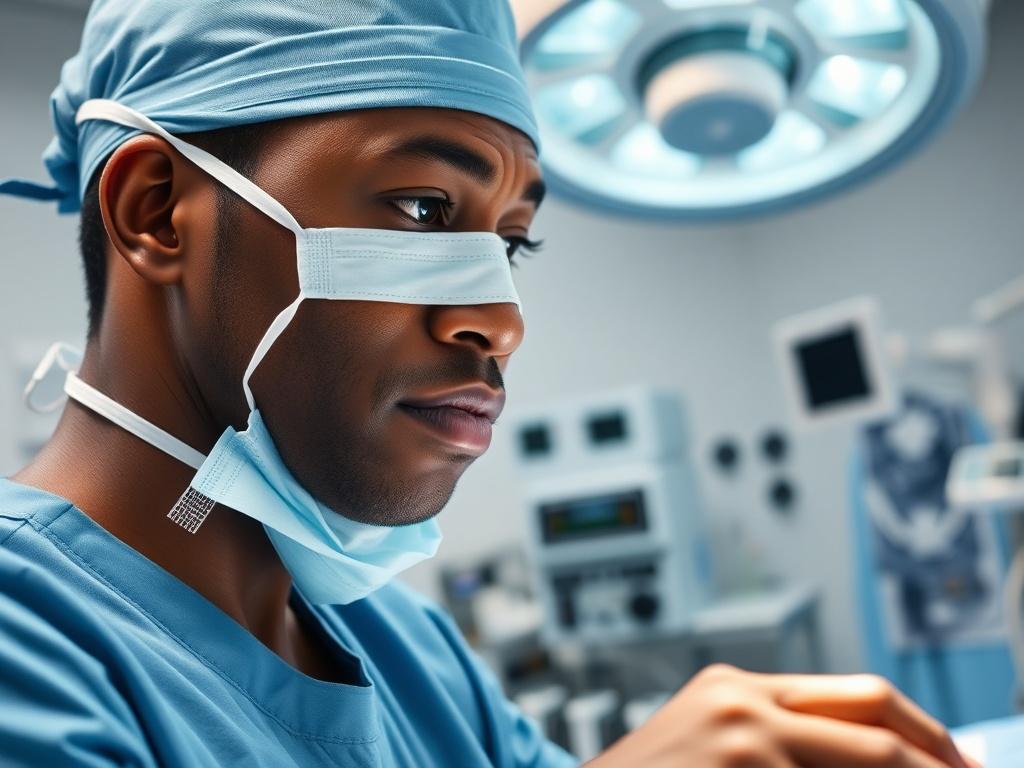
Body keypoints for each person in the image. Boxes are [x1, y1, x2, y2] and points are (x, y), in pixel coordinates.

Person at [0, 1, 981, 766]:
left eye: (511, 242)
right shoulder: (30, 646)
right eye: (424, 209)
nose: (502, 321)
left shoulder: (406, 652)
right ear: (156, 211)